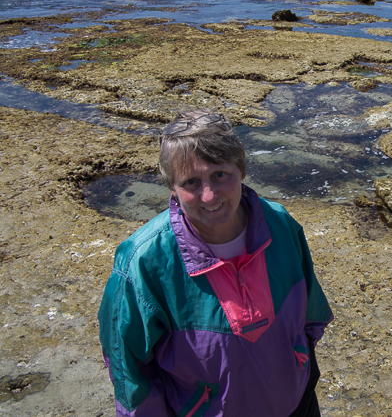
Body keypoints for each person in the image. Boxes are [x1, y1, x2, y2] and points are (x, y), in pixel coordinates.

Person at [98, 109, 333, 416]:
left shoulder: (280, 225)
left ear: (242, 169)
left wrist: (299, 362)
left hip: (298, 406)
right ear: (171, 187)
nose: (209, 196)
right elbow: (129, 373)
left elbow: (311, 315)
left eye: (220, 174)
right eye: (191, 182)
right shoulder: (142, 263)